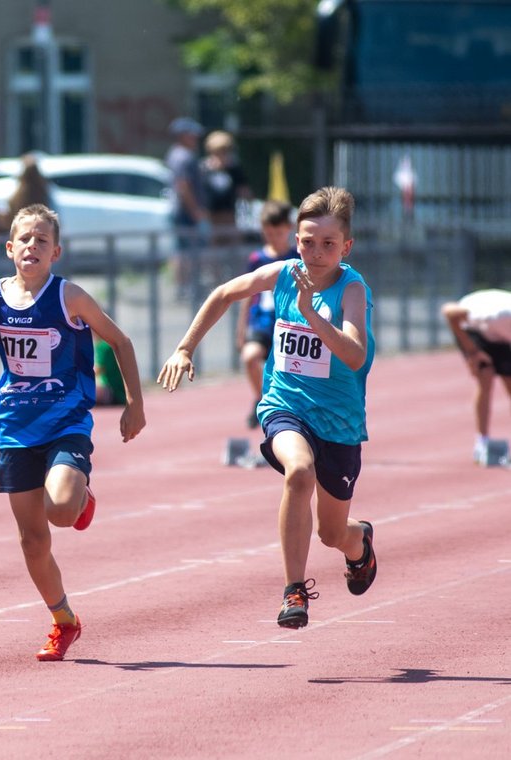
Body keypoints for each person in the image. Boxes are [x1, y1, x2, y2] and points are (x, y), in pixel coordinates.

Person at [158, 186, 377, 630]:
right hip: (285, 404)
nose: (315, 253)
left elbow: (354, 354)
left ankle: (360, 543)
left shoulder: (352, 290)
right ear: (295, 239)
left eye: (328, 245)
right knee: (298, 471)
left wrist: (311, 316)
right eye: (307, 242)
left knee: (332, 533)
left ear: (346, 247)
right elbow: (222, 294)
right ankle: (294, 590)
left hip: (339, 421)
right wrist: (184, 348)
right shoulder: (282, 273)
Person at [0, 203, 146, 661]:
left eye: (42, 240)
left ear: (56, 251)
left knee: (58, 510)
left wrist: (135, 405)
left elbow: (120, 341)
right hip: (16, 427)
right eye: (25, 239)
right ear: (10, 248)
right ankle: (64, 620)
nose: (32, 246)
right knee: (33, 541)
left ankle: (81, 495)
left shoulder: (68, 296)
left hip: (66, 421)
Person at [235, 200, 300, 428]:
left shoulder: (297, 258)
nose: (272, 237)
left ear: (289, 229)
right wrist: (241, 329)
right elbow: (245, 294)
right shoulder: (257, 260)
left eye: (278, 232)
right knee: (250, 357)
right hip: (262, 322)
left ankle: (288, 409)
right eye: (268, 232)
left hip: (289, 325)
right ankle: (262, 400)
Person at [441, 289, 511, 464]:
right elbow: (448, 311)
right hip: (472, 331)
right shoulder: (497, 315)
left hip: (499, 337)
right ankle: (482, 442)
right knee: (485, 378)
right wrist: (472, 351)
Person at [165, 117, 209, 299]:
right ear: (182, 136)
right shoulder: (184, 156)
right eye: (192, 135)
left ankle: (183, 287)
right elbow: (183, 185)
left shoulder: (175, 154)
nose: (195, 139)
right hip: (186, 214)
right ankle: (186, 288)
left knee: (182, 251)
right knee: (187, 252)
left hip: (181, 212)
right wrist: (195, 211)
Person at [200, 130, 253, 246]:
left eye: (225, 151)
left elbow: (245, 191)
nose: (222, 155)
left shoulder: (234, 169)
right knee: (212, 250)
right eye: (218, 152)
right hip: (211, 217)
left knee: (233, 247)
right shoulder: (204, 169)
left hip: (229, 216)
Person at [0, 153, 52, 232]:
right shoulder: (43, 191)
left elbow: (10, 212)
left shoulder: (17, 193)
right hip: (40, 228)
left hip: (21, 228)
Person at [94, 337, 126, 406]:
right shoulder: (110, 344)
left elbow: (98, 370)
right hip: (121, 391)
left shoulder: (102, 346)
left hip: (112, 390)